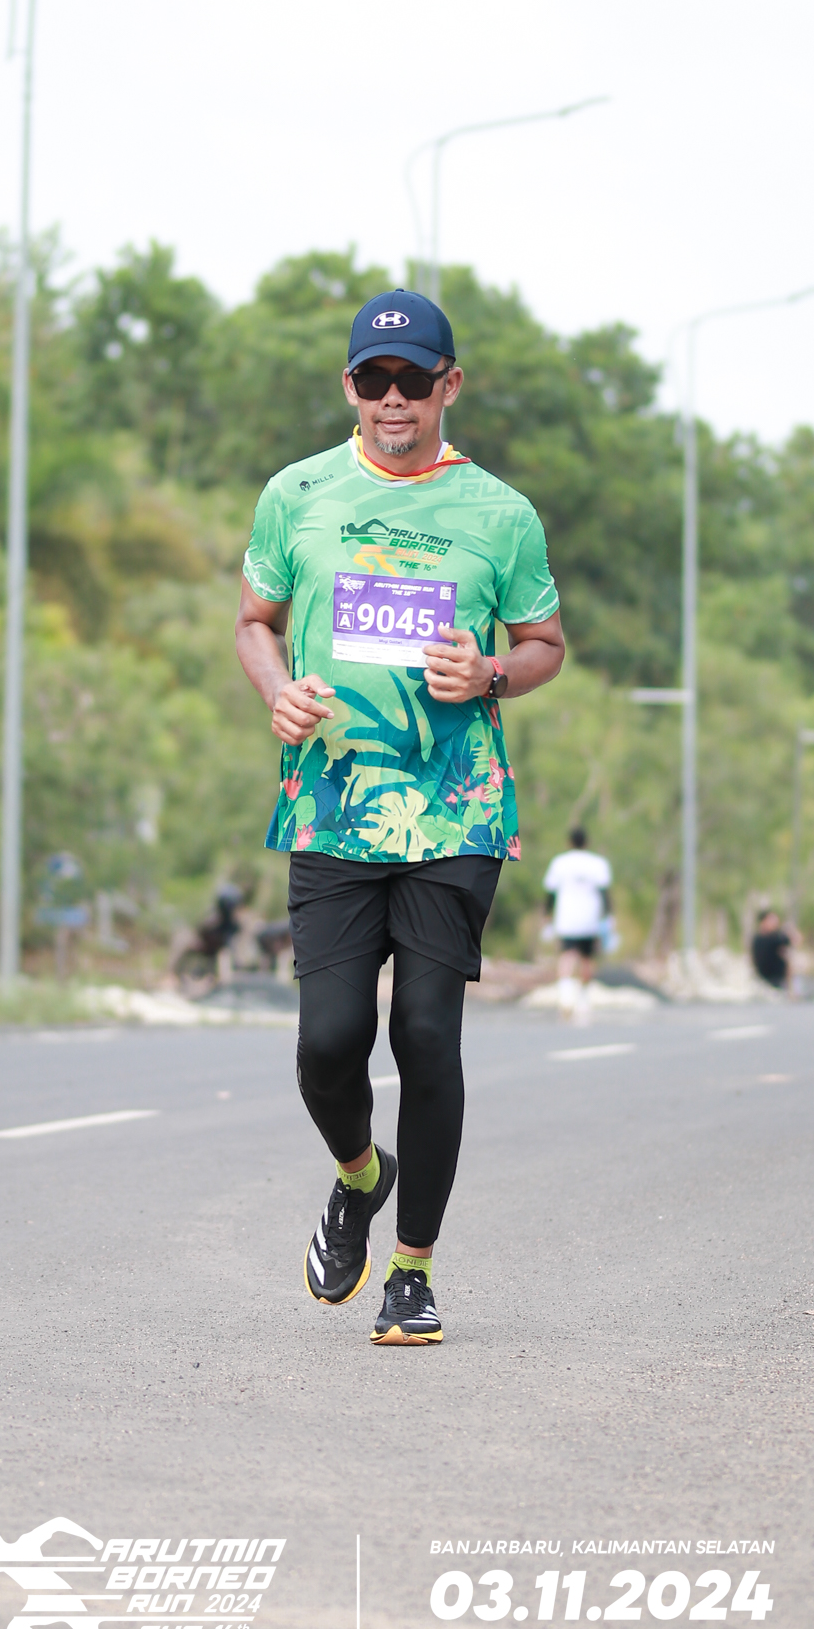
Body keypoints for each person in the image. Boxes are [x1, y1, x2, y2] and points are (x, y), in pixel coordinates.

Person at [235, 288, 564, 1345]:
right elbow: (254, 622)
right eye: (373, 380)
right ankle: (357, 1175)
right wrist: (276, 689)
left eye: (412, 380)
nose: (392, 399)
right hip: (331, 803)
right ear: (349, 387)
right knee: (329, 1043)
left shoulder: (501, 515)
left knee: (425, 1032)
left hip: (455, 810)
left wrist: (492, 672)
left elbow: (545, 644)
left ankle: (412, 1272)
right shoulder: (296, 495)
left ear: (446, 386)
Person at [542, 827, 612, 1013]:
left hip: (567, 919)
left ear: (569, 842)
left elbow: (550, 894)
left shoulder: (560, 863)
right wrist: (608, 917)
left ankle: (566, 998)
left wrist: (547, 917)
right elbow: (604, 894)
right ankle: (583, 999)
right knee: (587, 959)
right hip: (590, 919)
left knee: (567, 956)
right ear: (587, 843)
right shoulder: (597, 863)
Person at [751, 908, 793, 993]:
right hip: (767, 982)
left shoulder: (776, 938)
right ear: (763, 921)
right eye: (772, 920)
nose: (775, 924)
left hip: (777, 981)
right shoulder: (763, 939)